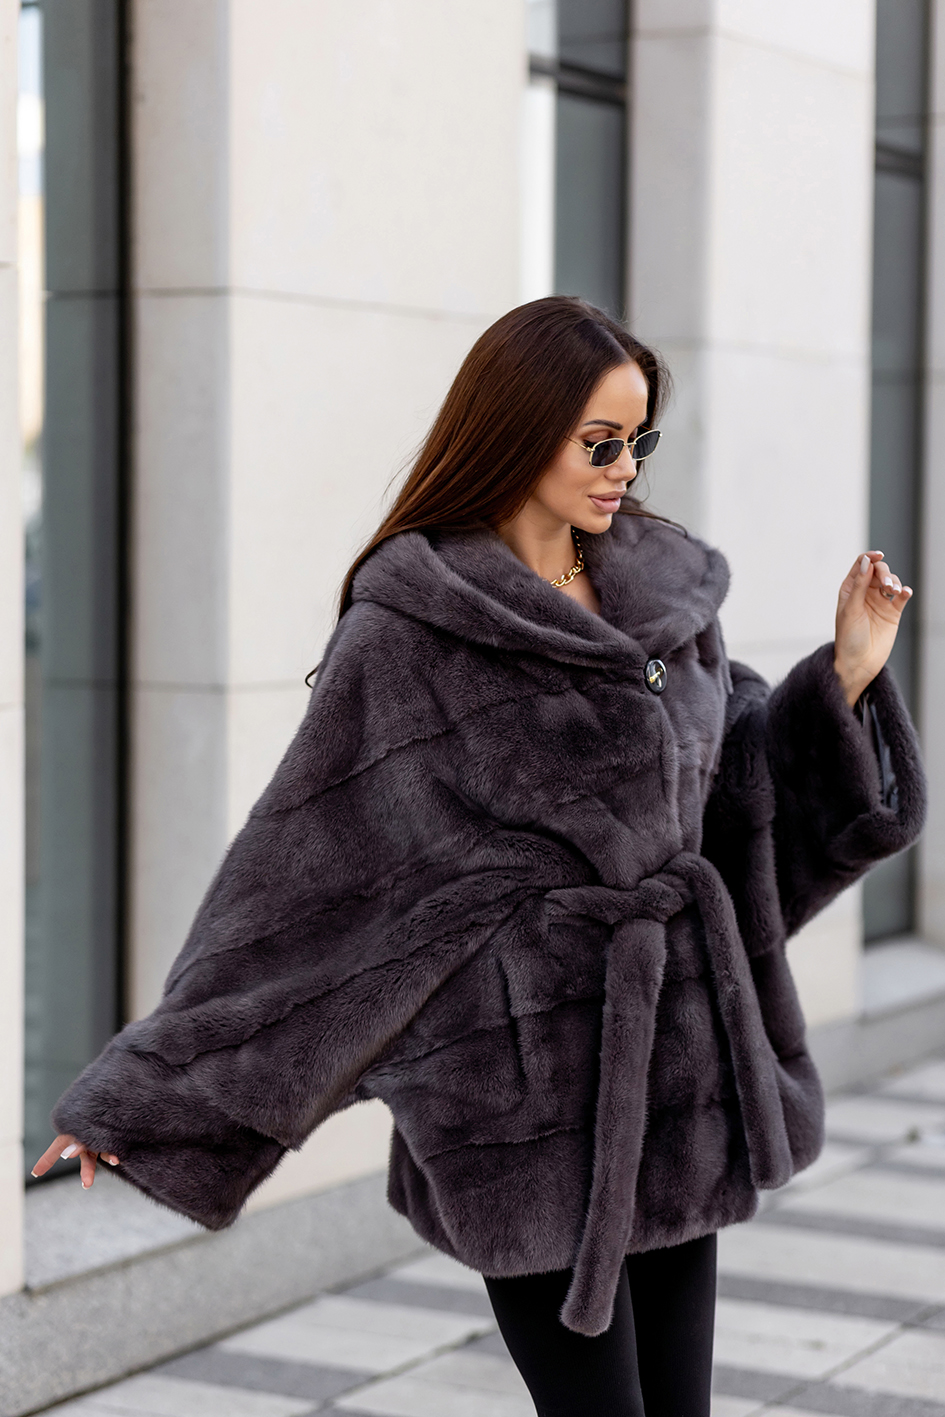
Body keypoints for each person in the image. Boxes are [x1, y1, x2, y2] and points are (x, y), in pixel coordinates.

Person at [34, 297, 925, 1417]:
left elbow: (731, 795)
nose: (624, 468)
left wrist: (843, 675)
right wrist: (146, 1096)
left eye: (636, 440)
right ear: (520, 430)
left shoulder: (667, 595)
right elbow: (304, 874)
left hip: (673, 1089)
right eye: (598, 442)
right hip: (520, 1108)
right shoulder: (412, 629)